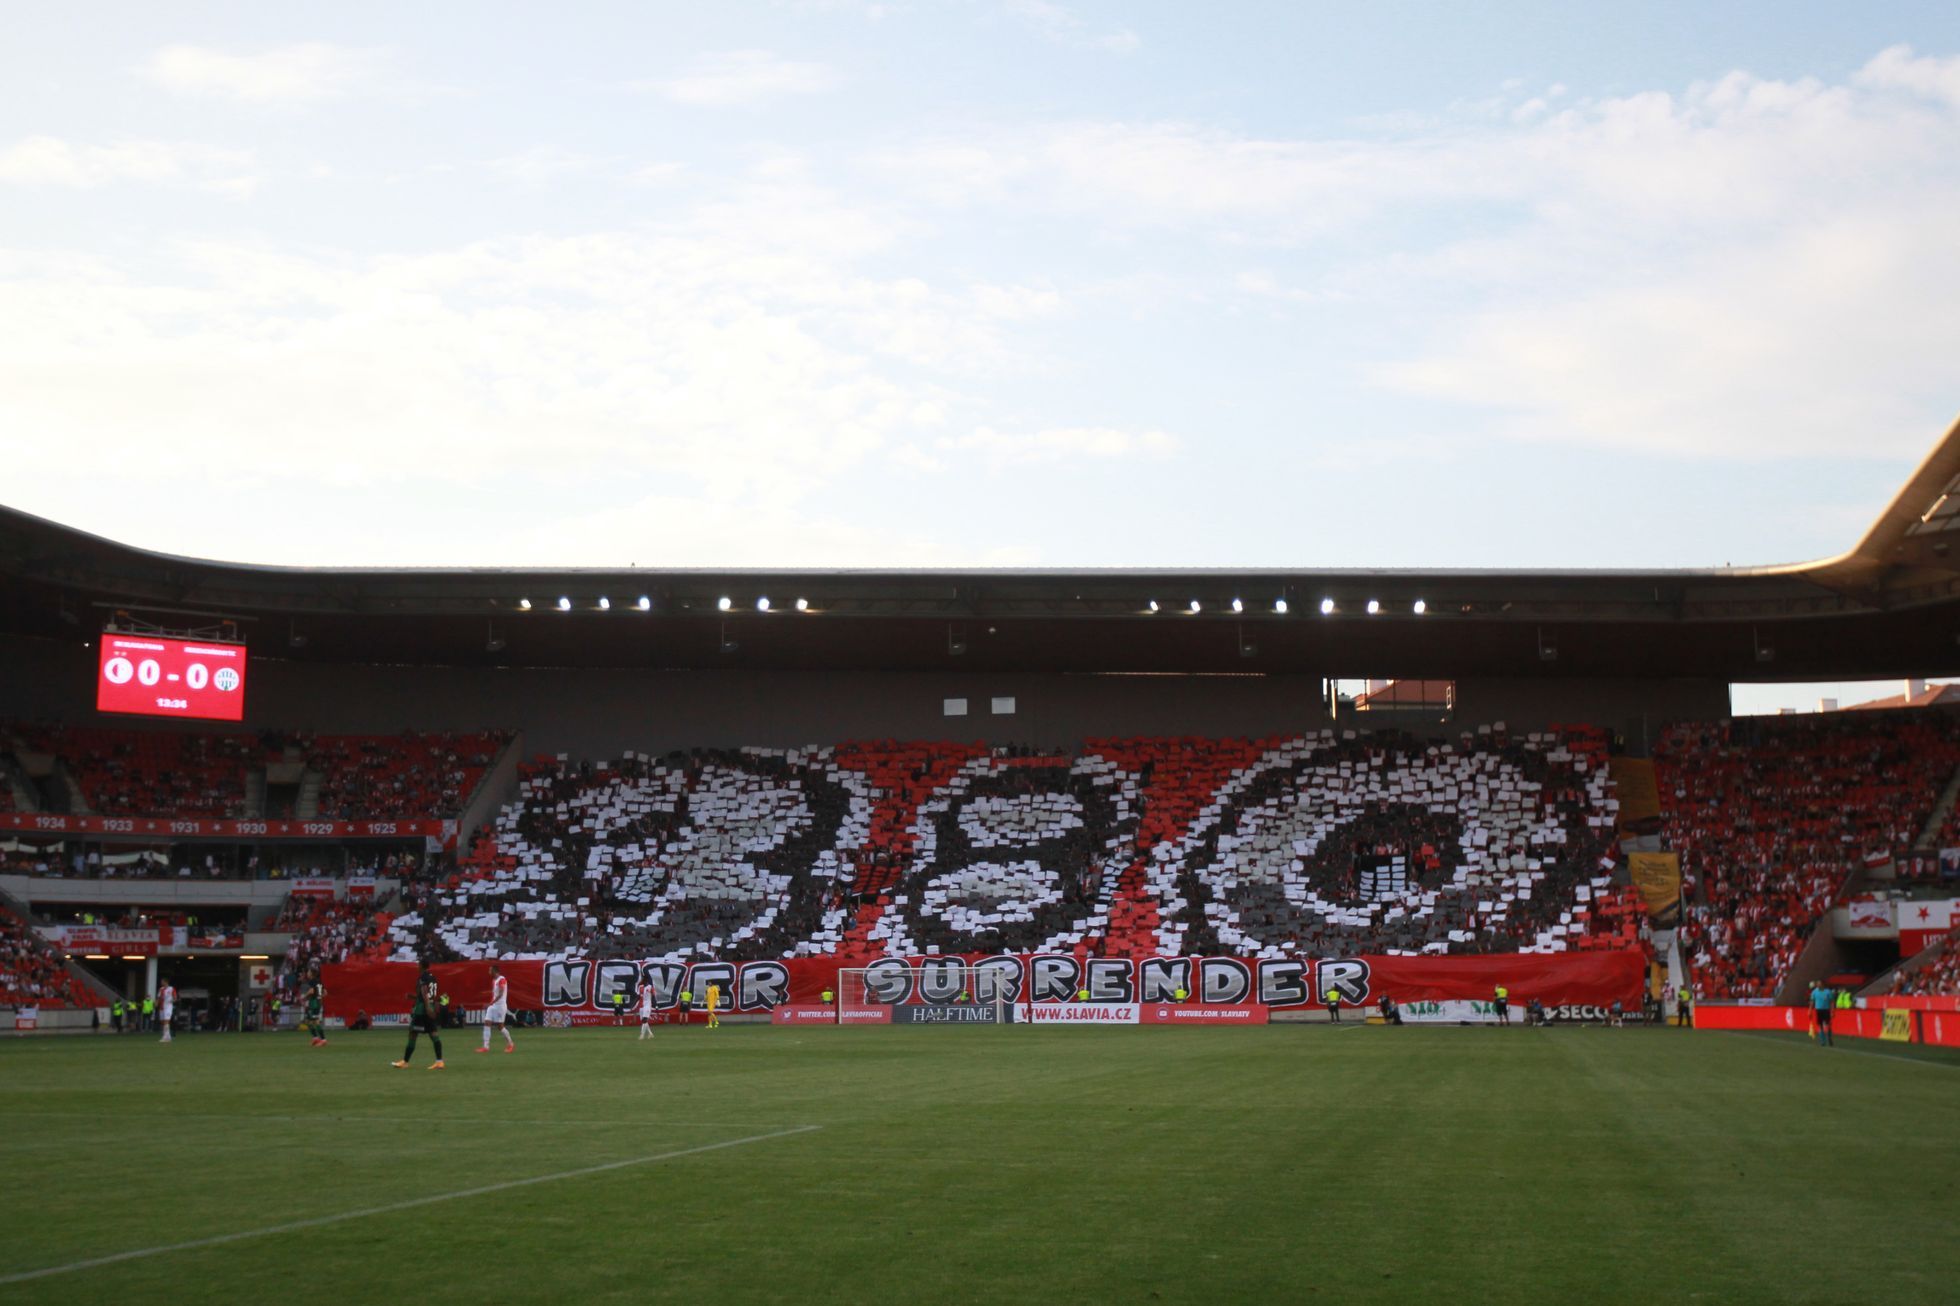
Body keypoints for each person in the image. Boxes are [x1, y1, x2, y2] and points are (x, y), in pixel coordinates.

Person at [392, 965, 446, 1069]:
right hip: (430, 1007)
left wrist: (426, 1007)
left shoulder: (423, 977)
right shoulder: (433, 978)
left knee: (413, 1034)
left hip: (422, 1010)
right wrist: (414, 998)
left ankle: (405, 1062)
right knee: (434, 1034)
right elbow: (429, 995)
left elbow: (424, 992)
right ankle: (439, 1061)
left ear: (421, 966)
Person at [478, 963, 515, 1054]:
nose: (488, 972)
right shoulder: (494, 981)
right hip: (493, 1006)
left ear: (494, 971)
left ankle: (510, 1044)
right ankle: (485, 1047)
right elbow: (495, 994)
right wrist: (491, 1004)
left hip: (500, 1006)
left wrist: (490, 1003)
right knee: (487, 1023)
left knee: (500, 1027)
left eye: (490, 970)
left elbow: (501, 993)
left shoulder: (502, 979)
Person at [304, 977, 328, 1046]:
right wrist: (319, 997)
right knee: (309, 1021)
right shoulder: (319, 982)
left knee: (315, 1021)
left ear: (311, 973)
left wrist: (304, 997)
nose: (308, 973)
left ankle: (323, 1040)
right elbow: (325, 993)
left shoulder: (312, 981)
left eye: (309, 971)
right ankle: (315, 1038)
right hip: (317, 1002)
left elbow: (311, 991)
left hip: (313, 1003)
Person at [1809, 981, 1834, 1047]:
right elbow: (1812, 1001)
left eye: (1819, 984)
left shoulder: (1828, 992)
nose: (1818, 985)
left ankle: (1829, 1038)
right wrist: (1810, 1010)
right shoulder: (1814, 992)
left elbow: (1831, 1002)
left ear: (1822, 984)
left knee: (1828, 1025)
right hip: (1818, 1010)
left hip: (1826, 1010)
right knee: (1820, 1026)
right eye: (1817, 984)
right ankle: (1822, 1041)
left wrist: (1832, 1011)